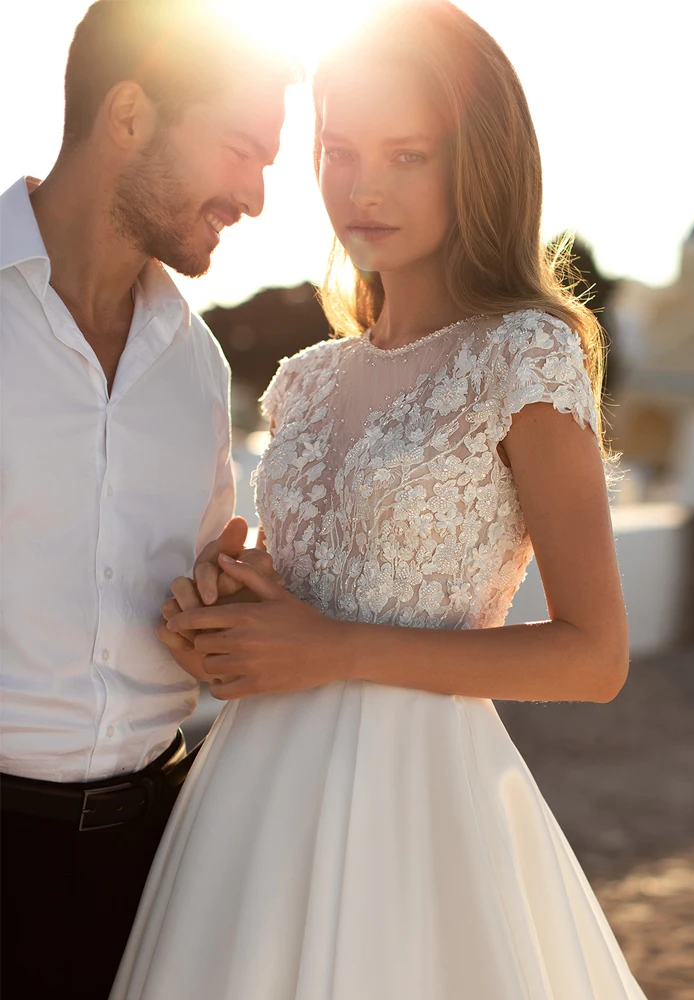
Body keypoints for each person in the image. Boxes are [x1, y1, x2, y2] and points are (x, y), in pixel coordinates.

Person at [113, 3, 645, 997]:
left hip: (421, 803)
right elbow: (309, 593)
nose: (363, 185)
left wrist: (331, 648)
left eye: (409, 154)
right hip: (251, 797)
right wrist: (229, 615)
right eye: (340, 149)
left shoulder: (523, 353)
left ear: (478, 161)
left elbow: (594, 653)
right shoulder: (306, 380)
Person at [0, 2, 292, 997]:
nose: (255, 195)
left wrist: (218, 608)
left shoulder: (198, 367)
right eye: (241, 149)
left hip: (155, 860)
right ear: (128, 115)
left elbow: (196, 620)